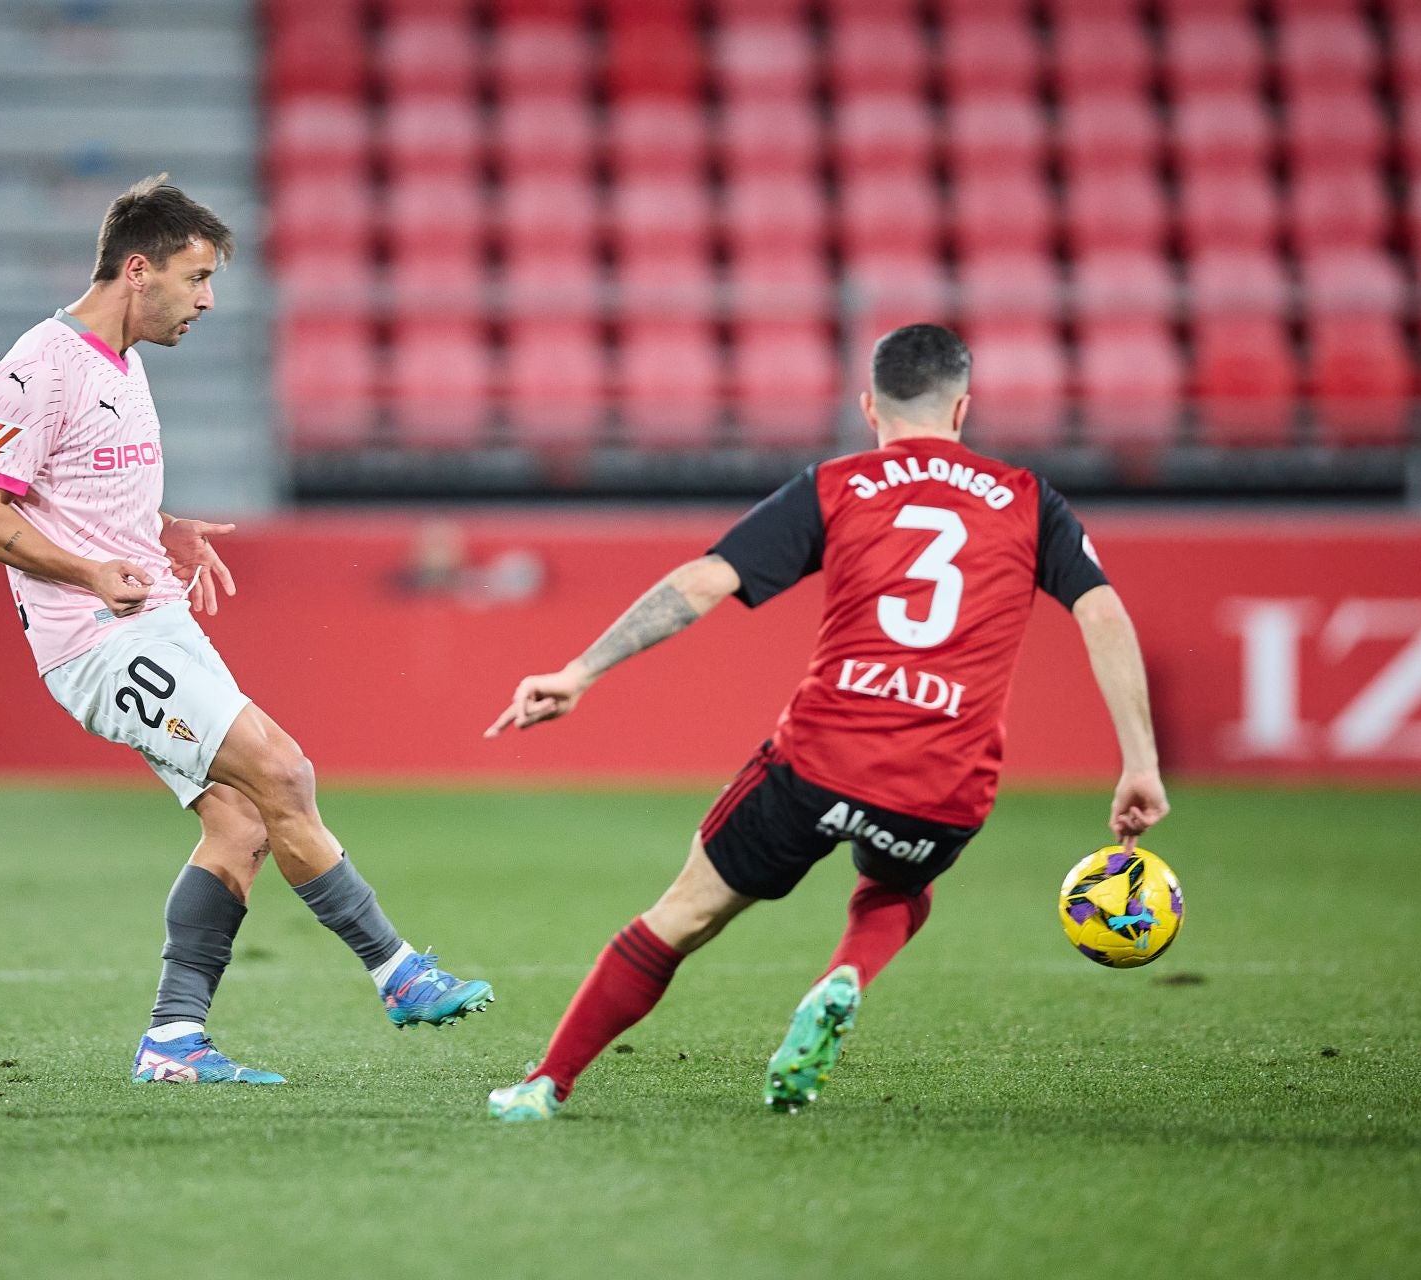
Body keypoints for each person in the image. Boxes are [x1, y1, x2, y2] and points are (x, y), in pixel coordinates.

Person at [481, 324, 1168, 1120]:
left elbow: (706, 581)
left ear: (870, 406)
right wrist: (1140, 761)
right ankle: (845, 975)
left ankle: (545, 1084)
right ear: (963, 408)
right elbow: (1104, 612)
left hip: (819, 760)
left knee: (686, 913)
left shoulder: (839, 485)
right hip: (945, 777)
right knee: (900, 884)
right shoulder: (1026, 498)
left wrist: (579, 671)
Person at [0, 175, 491, 1085]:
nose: (206, 301)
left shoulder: (121, 363)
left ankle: (172, 1045)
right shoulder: (33, 370)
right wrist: (92, 572)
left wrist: (165, 529)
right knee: (284, 770)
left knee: (240, 821)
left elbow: (78, 494)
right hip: (99, 638)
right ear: (138, 269)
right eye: (195, 278)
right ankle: (398, 972)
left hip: (149, 617)